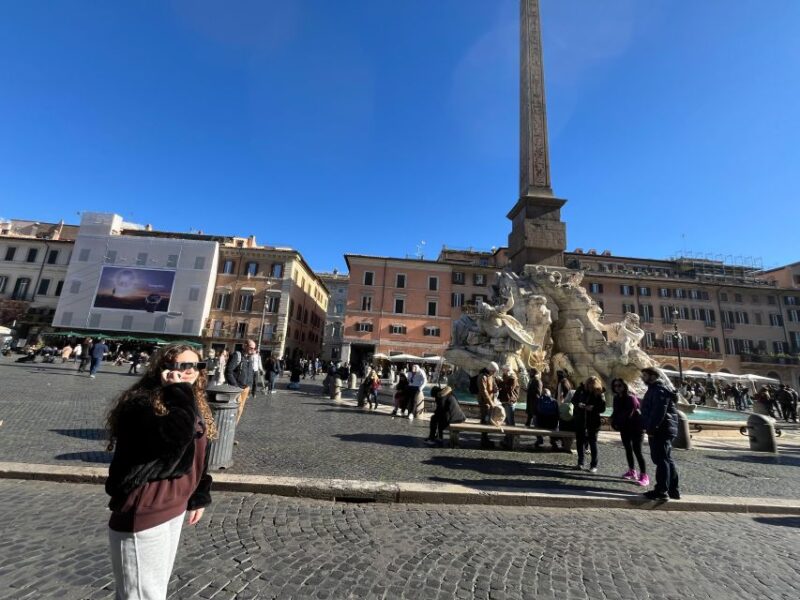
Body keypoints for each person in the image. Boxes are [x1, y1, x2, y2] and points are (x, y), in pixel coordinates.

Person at [105, 343, 216, 599]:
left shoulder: (190, 401)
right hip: (145, 508)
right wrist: (177, 392)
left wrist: (199, 494)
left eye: (195, 366)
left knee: (156, 589)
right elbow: (175, 440)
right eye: (183, 366)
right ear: (164, 368)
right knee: (142, 595)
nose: (190, 372)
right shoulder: (142, 403)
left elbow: (199, 453)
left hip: (174, 506)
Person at [640, 367, 680, 501]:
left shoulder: (658, 390)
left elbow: (658, 412)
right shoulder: (658, 389)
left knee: (661, 460)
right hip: (665, 429)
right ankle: (673, 489)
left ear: (652, 376)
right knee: (667, 459)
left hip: (660, 430)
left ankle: (661, 490)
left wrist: (651, 429)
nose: (642, 378)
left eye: (645, 375)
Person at [610, 378, 649, 487]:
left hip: (636, 427)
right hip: (625, 427)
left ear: (625, 386)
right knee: (628, 449)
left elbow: (629, 413)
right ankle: (632, 471)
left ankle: (644, 476)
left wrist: (617, 422)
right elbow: (616, 411)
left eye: (620, 385)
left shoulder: (631, 398)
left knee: (637, 451)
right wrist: (613, 420)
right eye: (616, 386)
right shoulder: (616, 398)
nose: (617, 388)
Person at [571, 377, 606, 472]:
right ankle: (580, 463)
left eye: (593, 384)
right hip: (581, 420)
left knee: (593, 443)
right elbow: (573, 400)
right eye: (589, 383)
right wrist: (579, 404)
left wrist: (593, 408)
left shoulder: (600, 393)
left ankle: (593, 465)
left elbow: (602, 408)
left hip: (593, 422)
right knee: (580, 442)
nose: (590, 385)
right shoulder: (581, 389)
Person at [225, 340, 257, 422]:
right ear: (245, 345)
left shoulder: (249, 358)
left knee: (241, 408)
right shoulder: (237, 355)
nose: (253, 350)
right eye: (251, 348)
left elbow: (251, 373)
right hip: (237, 387)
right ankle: (230, 425)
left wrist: (250, 387)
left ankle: (234, 426)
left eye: (254, 348)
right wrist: (235, 386)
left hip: (246, 388)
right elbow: (228, 371)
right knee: (237, 408)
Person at [477, 362, 499, 449]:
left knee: (487, 420)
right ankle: (484, 439)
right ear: (490, 370)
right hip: (484, 402)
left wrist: (496, 388)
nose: (494, 373)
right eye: (493, 371)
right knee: (484, 420)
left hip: (489, 402)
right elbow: (484, 391)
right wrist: (491, 402)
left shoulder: (490, 376)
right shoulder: (482, 377)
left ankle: (485, 438)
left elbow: (493, 385)